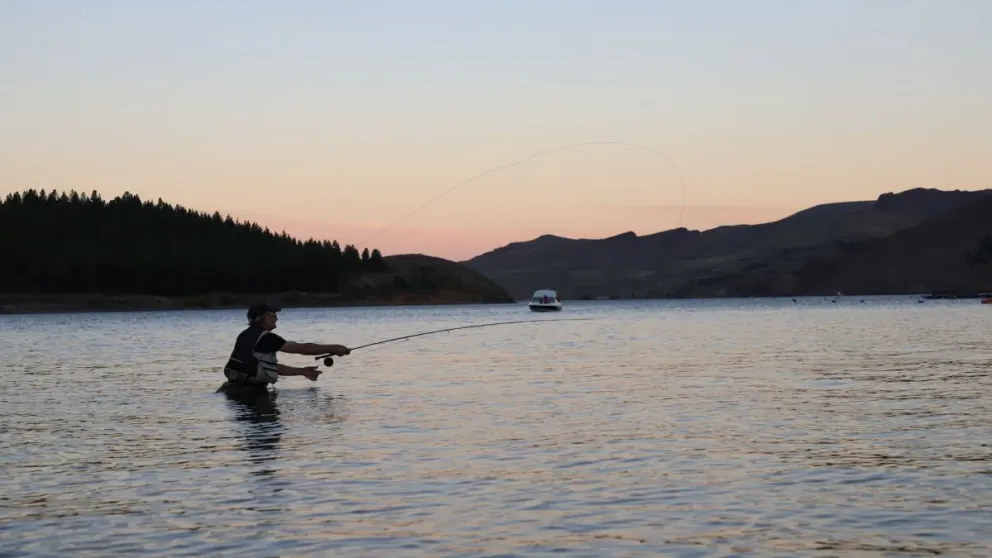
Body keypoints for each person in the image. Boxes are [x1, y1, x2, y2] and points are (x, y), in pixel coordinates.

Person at [222, 301, 351, 388]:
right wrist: (335, 348)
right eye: (272, 314)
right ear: (261, 317)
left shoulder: (245, 335)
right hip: (249, 394)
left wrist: (302, 371)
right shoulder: (266, 337)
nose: (276, 318)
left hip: (233, 388)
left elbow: (269, 367)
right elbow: (304, 349)